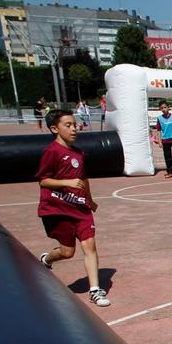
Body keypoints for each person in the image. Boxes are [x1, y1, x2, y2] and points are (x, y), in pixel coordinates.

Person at [36, 109, 111, 307]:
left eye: (74, 124)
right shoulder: (51, 152)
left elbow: (83, 179)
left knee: (90, 245)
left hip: (81, 208)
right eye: (67, 125)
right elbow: (43, 181)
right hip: (59, 208)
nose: (73, 128)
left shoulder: (79, 153)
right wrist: (66, 183)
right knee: (67, 252)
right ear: (54, 128)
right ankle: (47, 259)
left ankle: (95, 290)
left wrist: (90, 200)